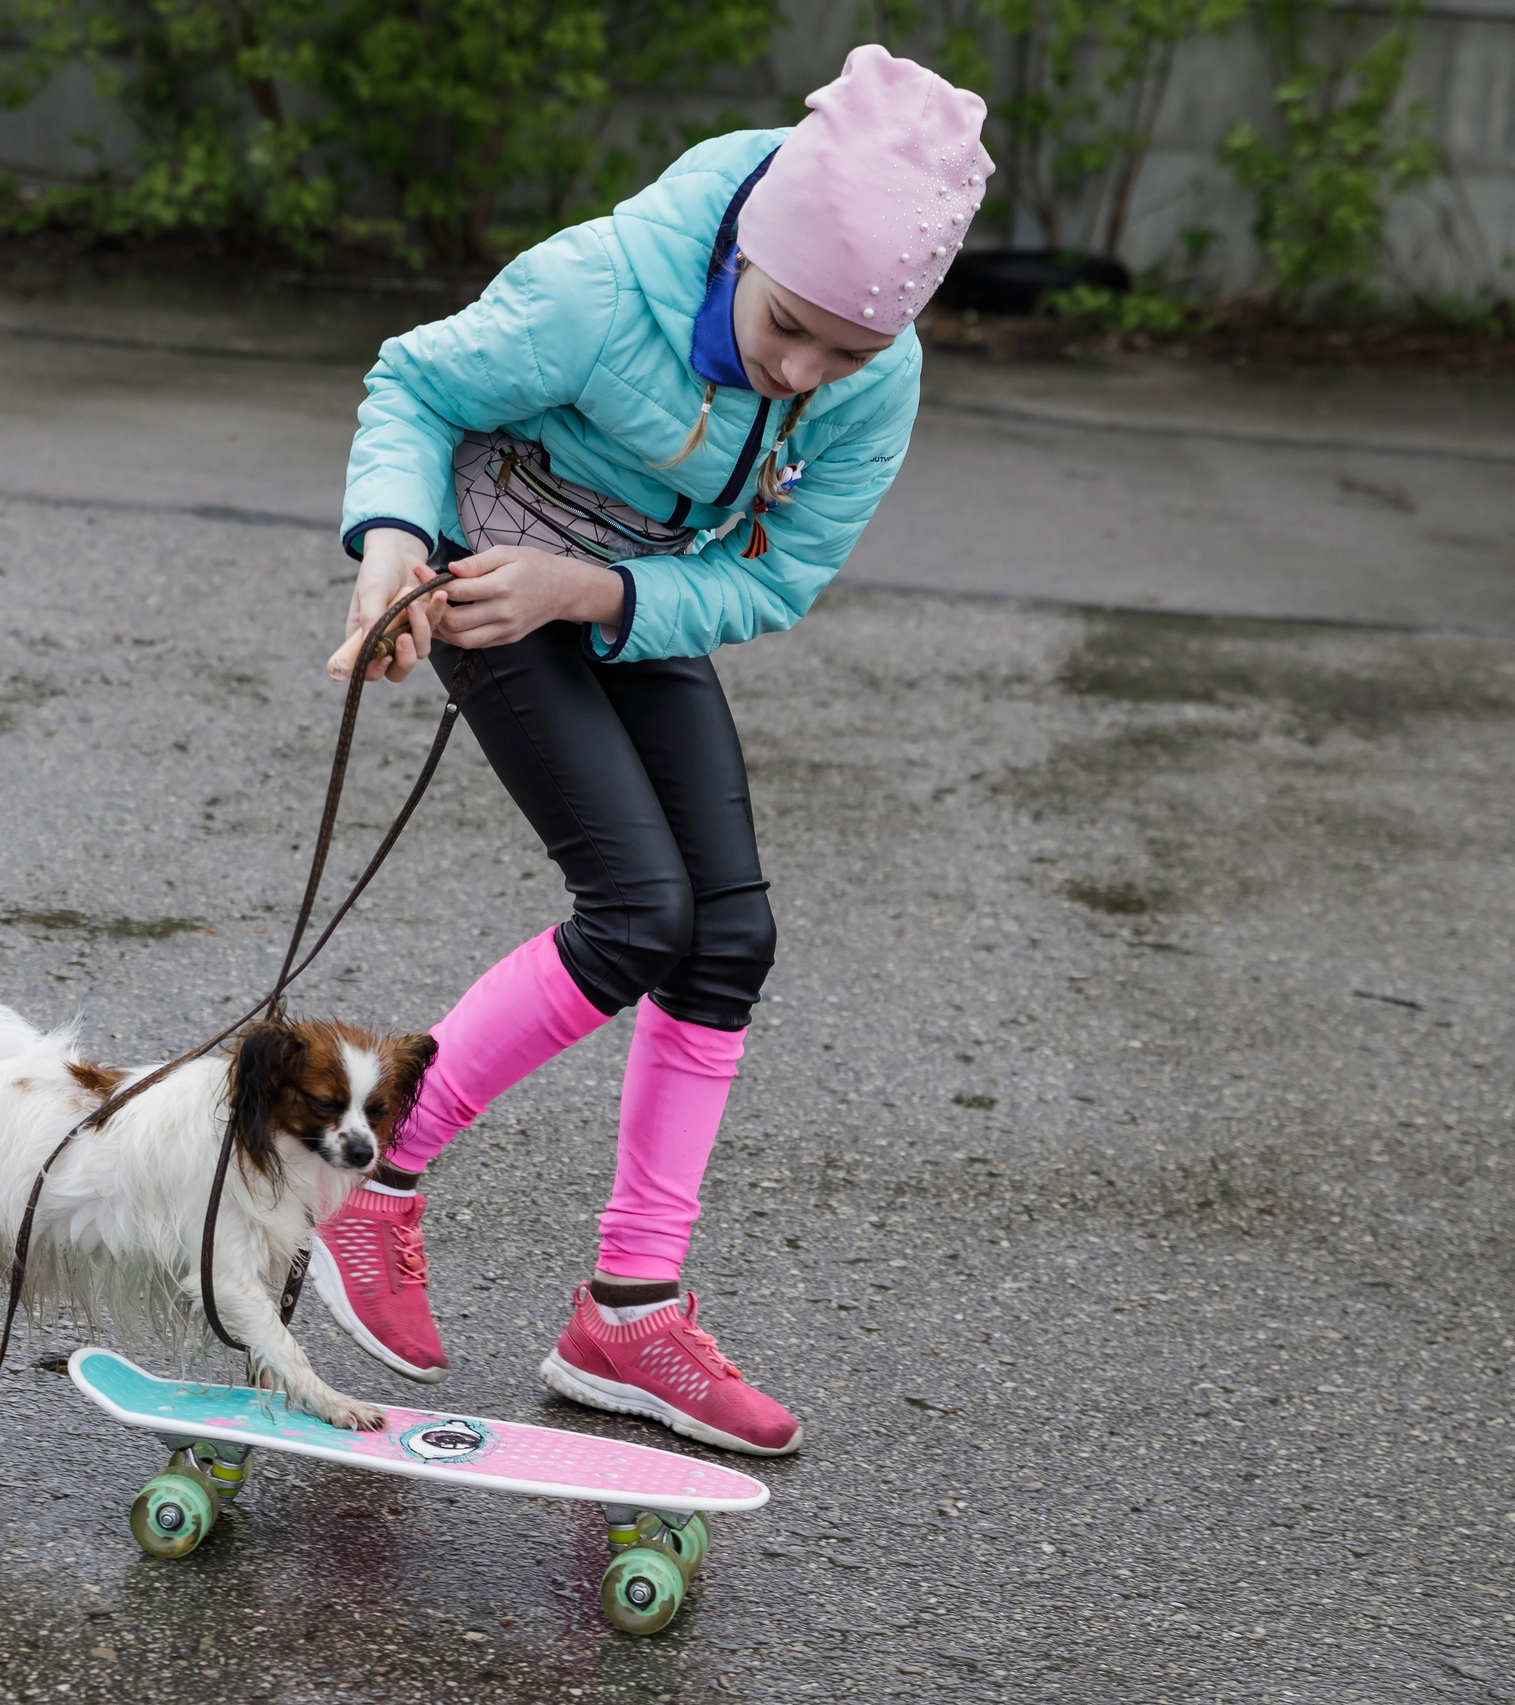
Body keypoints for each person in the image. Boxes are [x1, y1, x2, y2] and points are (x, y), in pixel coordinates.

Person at [308, 44, 992, 1456]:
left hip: (622, 594)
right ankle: (371, 1187)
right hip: (487, 573)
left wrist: (601, 593)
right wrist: (391, 548)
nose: (803, 372)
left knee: (726, 936)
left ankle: (626, 1310)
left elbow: (779, 577)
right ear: (748, 243)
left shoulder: (875, 379)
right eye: (789, 326)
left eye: (845, 354)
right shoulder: (599, 290)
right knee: (636, 912)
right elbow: (413, 385)